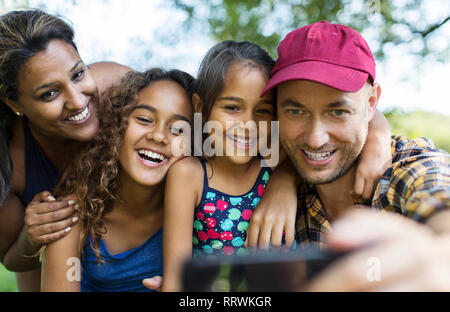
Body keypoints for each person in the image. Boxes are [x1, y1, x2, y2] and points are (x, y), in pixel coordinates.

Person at [158, 40, 393, 292]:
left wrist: (379, 140)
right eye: (232, 108)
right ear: (201, 108)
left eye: (263, 110)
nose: (248, 124)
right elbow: (176, 280)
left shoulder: (280, 158)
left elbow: (363, 109)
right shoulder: (189, 175)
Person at [260, 21, 450, 291]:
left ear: (372, 103)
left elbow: (438, 191)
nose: (316, 138)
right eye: (296, 111)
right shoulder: (265, 177)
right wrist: (283, 176)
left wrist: (439, 257)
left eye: (337, 112)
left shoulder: (406, 166)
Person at [0, 9, 132, 291]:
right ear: (15, 105)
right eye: (49, 93)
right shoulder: (10, 162)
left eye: (78, 74)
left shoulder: (118, 88)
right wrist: (32, 235)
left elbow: (197, 132)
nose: (77, 101)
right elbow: (11, 258)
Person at [40, 68, 197, 291]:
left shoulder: (202, 214)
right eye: (144, 119)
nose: (158, 136)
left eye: (178, 129)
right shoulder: (75, 210)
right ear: (116, 126)